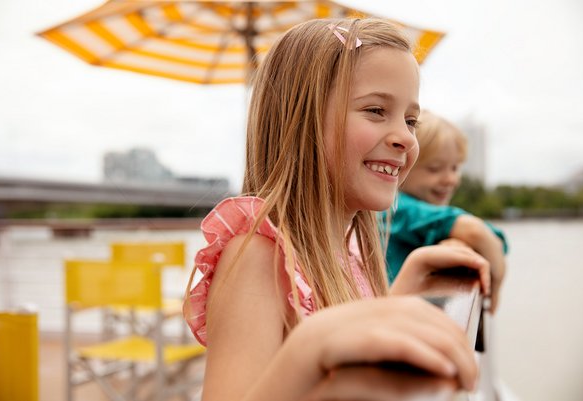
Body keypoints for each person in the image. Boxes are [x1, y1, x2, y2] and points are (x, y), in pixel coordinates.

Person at [183, 18, 491, 401]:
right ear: (301, 122)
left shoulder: (350, 250)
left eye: (411, 120)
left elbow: (351, 363)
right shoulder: (258, 256)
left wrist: (405, 292)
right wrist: (311, 345)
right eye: (377, 110)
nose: (405, 138)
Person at [383, 109, 508, 312]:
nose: (450, 179)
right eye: (434, 168)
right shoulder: (392, 207)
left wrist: (458, 241)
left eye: (455, 168)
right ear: (402, 164)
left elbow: (496, 240)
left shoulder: (422, 213)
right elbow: (478, 233)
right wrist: (497, 286)